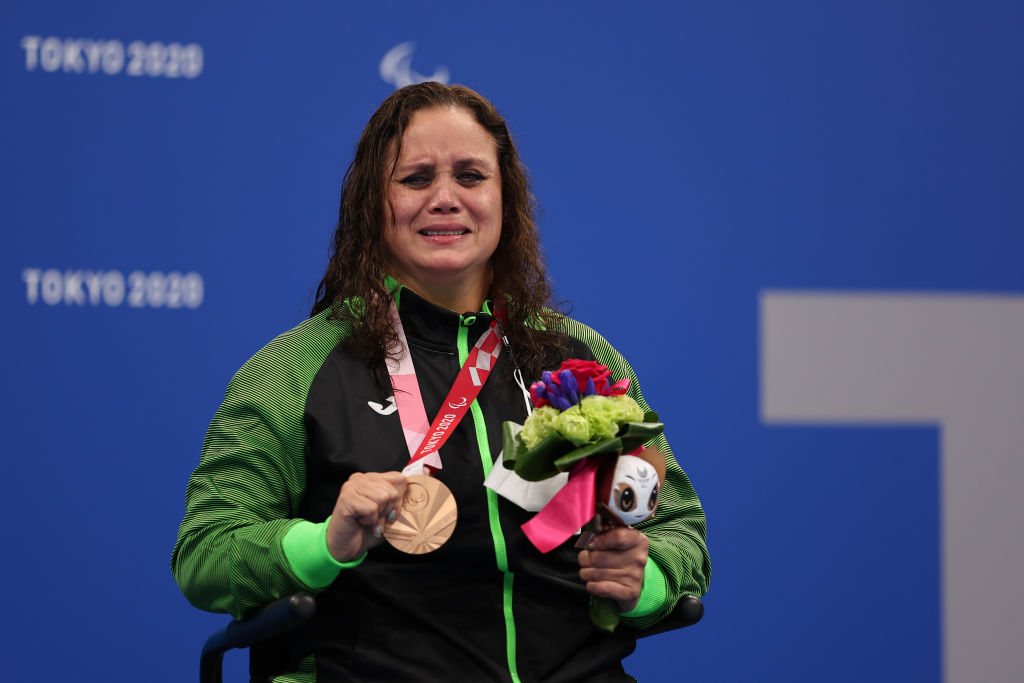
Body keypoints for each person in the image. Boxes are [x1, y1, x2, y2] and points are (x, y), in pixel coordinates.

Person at [172, 82, 710, 683]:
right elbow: (206, 552)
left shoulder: (580, 361)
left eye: (472, 176)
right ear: (372, 202)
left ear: (506, 199)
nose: (446, 199)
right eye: (417, 178)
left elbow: (681, 530)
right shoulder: (296, 368)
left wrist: (644, 579)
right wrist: (324, 542)